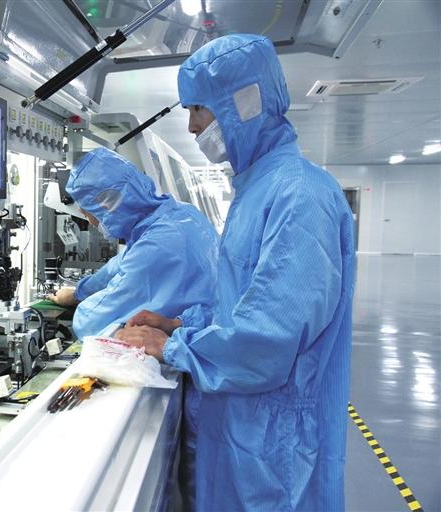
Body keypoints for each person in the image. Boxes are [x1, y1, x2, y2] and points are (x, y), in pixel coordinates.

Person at [116, 34, 356, 511]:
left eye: (198, 109)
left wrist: (172, 346)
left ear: (243, 102)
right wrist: (179, 324)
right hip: (241, 431)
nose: (192, 125)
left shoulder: (299, 195)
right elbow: (239, 303)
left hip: (271, 452)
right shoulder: (257, 190)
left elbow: (267, 339)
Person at [47, 147, 218, 343]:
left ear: (107, 206)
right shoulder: (181, 213)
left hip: (197, 345)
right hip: (207, 324)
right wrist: (79, 291)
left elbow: (91, 324)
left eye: (87, 214)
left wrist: (79, 307)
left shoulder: (155, 246)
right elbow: (120, 263)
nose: (92, 223)